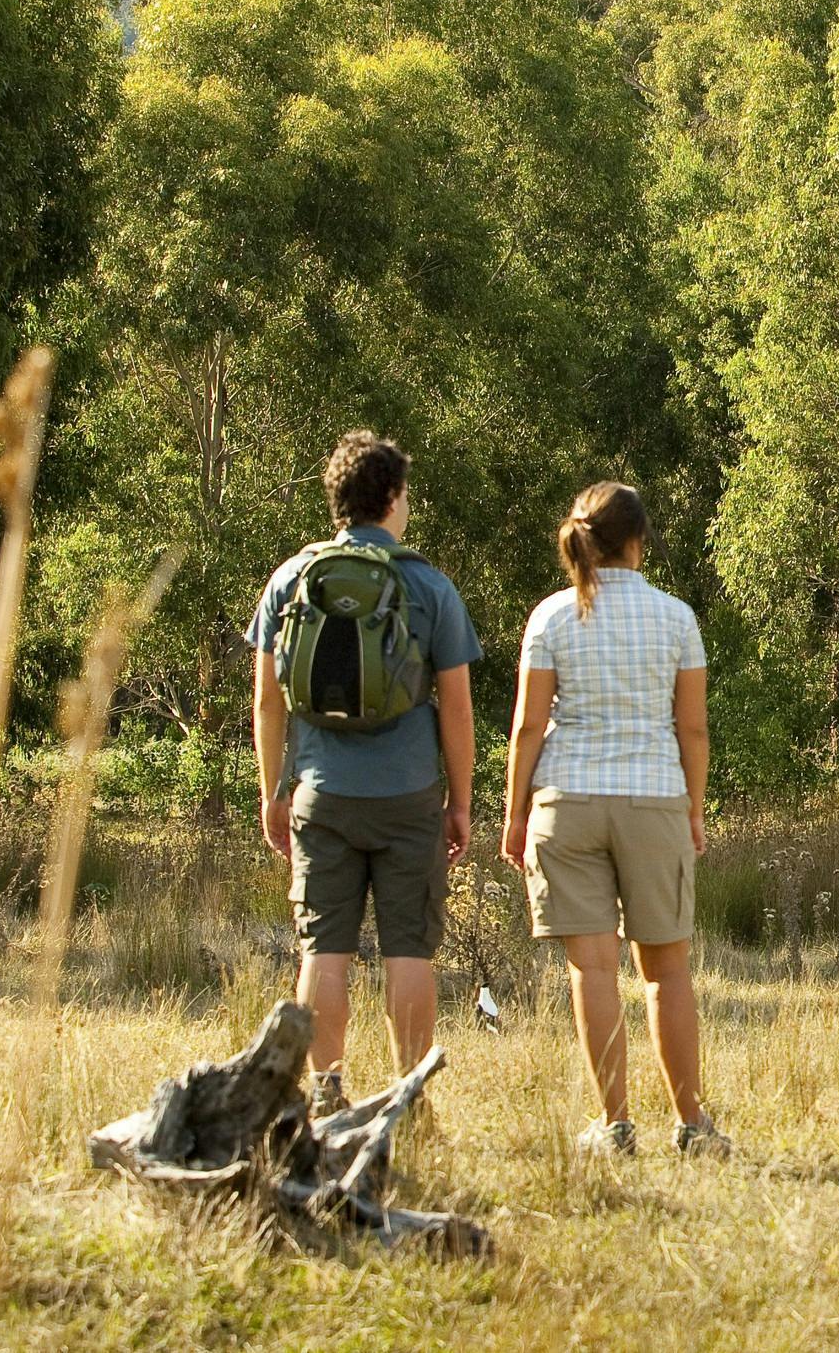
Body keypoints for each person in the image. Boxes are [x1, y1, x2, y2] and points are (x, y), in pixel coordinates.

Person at [248, 430, 481, 1111]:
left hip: (321, 792)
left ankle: (326, 1090)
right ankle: (408, 1096)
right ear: (393, 497)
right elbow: (457, 708)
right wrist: (460, 802)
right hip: (409, 794)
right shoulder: (428, 584)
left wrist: (274, 791)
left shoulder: (292, 579)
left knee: (324, 947)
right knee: (410, 949)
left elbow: (268, 699)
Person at [503, 480, 725, 1159]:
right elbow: (691, 729)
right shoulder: (677, 618)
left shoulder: (550, 618)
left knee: (592, 973)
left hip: (567, 803)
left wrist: (514, 815)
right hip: (654, 799)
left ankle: (616, 1125)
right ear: (638, 541)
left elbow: (528, 726)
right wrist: (694, 808)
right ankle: (691, 1125)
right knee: (667, 973)